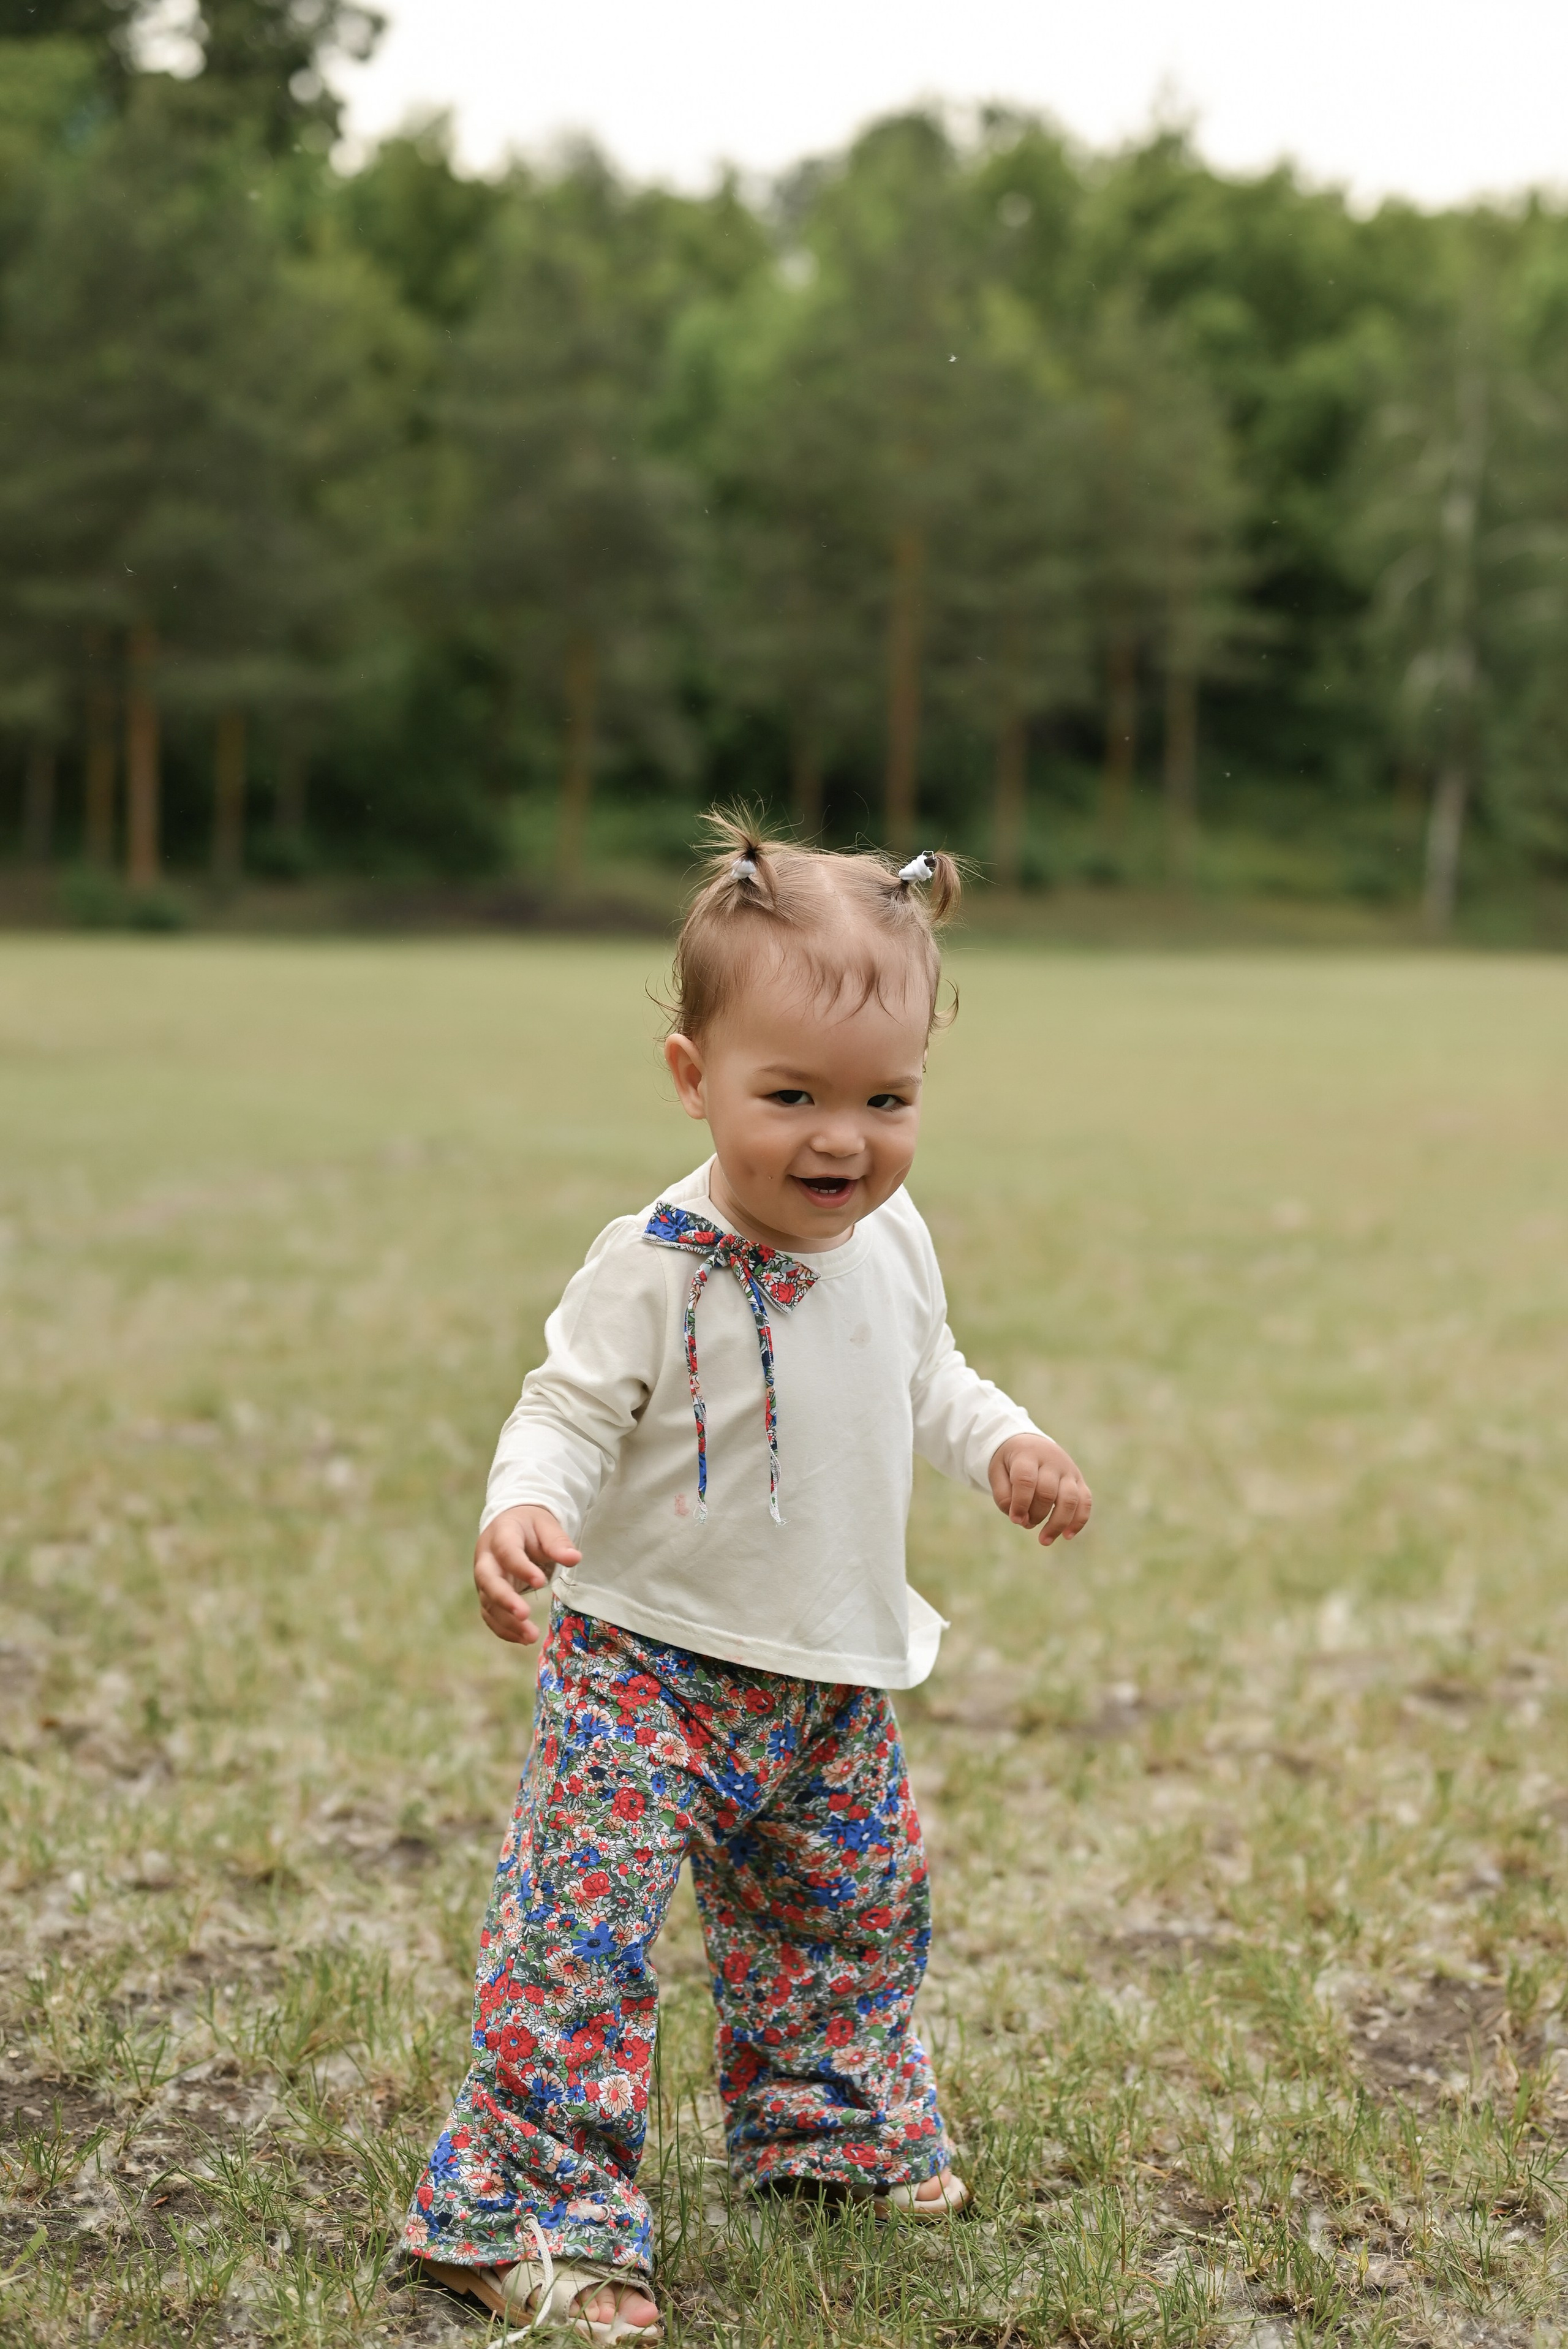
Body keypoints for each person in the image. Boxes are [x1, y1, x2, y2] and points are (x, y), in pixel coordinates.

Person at [404, 815, 1093, 2342]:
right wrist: (523, 1505)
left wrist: (1008, 1445)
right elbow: (565, 1409)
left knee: (847, 1913)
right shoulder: (651, 1259)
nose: (840, 1140)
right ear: (691, 1077)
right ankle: (516, 2213)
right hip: (646, 1668)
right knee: (575, 1942)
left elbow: (931, 1373)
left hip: (830, 1675)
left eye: (884, 1099)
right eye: (790, 1096)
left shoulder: (890, 1235)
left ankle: (826, 2136)